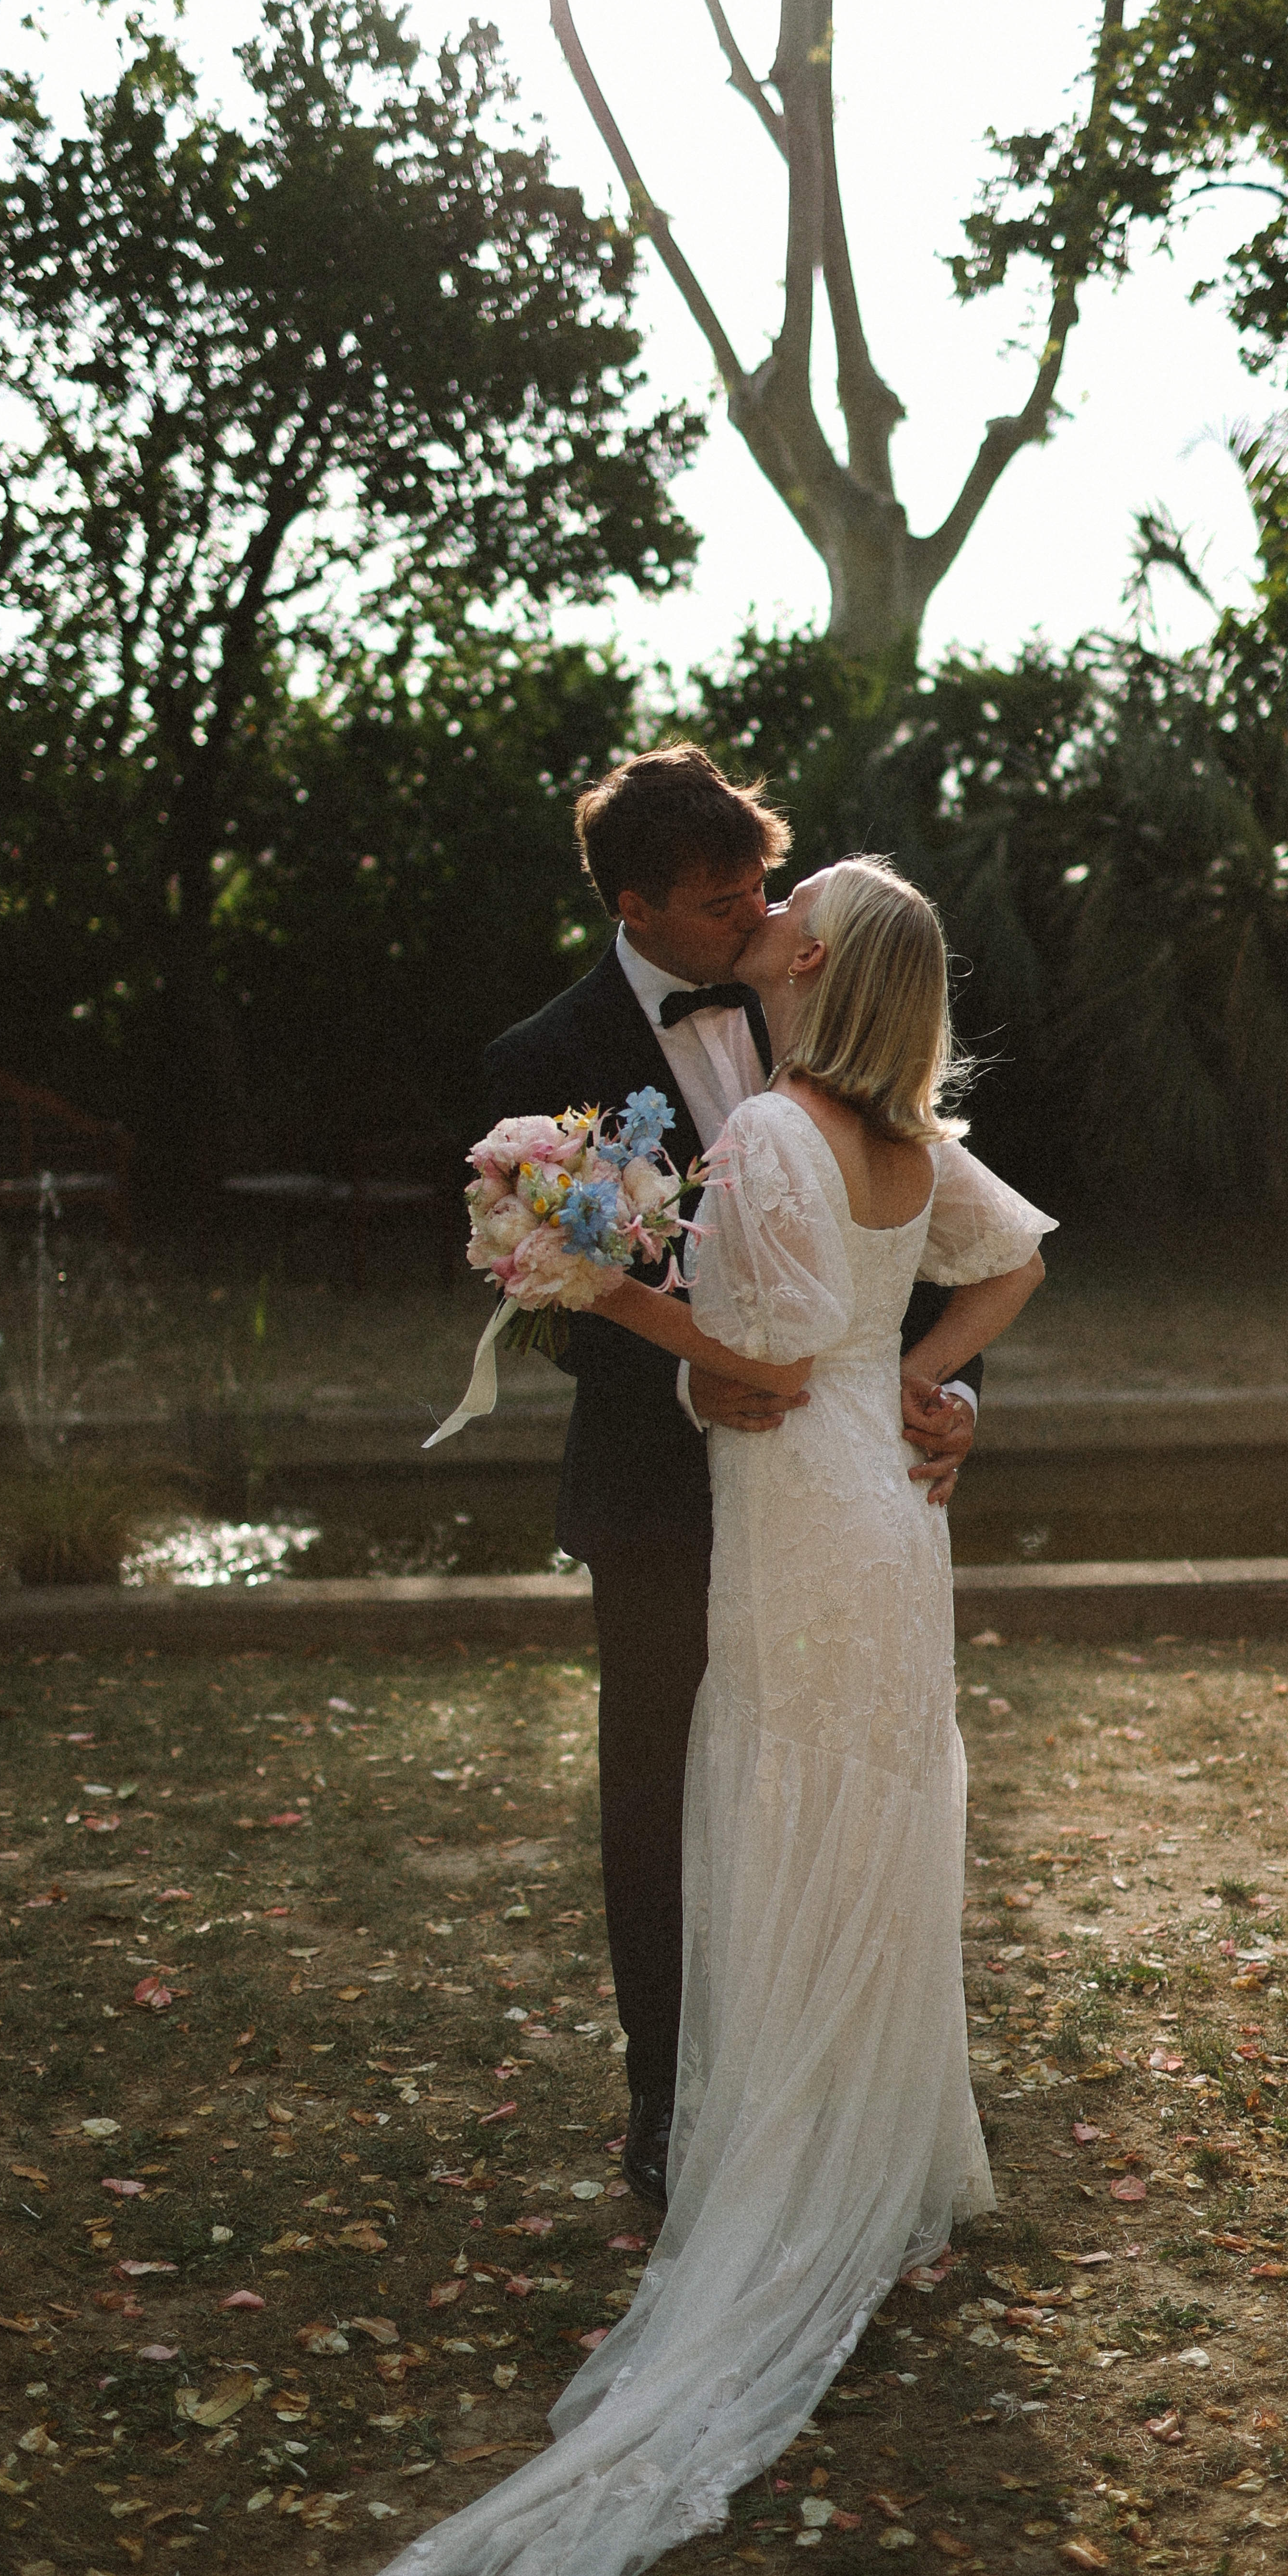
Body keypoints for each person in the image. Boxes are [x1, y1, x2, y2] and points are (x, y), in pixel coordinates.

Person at [352, 855, 1052, 2576]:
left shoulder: (769, 1139)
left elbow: (750, 1341)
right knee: (871, 1811)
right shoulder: (900, 1134)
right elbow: (1017, 1257)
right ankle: (881, 2142)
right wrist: (934, 1373)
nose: (766, 900)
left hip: (804, 1520)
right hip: (892, 1518)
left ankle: (783, 2161)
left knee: (779, 1796)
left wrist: (596, 1285)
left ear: (803, 958)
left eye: (785, 897)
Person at [477, 747, 980, 2206]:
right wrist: (685, 1368)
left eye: (764, 880)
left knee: (836, 1774)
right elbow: (549, 1295)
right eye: (717, 904)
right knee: (661, 1787)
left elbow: (926, 1227)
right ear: (633, 907)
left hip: (834, 1489)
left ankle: (830, 2074)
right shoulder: (540, 1059)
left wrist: (948, 1387)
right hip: (655, 1491)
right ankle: (669, 2096)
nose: (759, 917)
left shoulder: (829, 994)